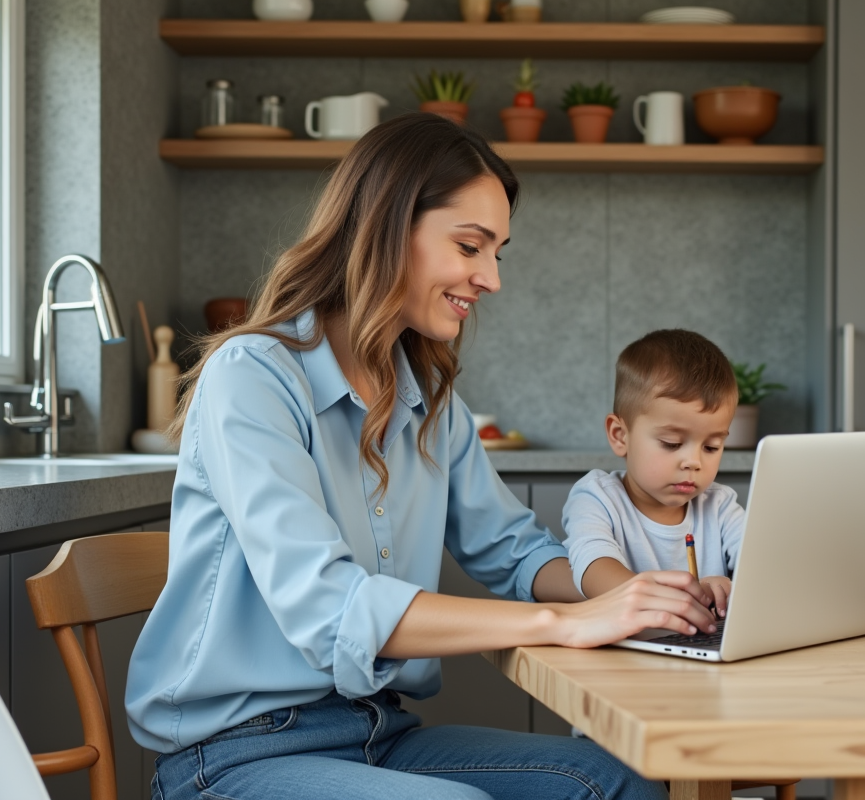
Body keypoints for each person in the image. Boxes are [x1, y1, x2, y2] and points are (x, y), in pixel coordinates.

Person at [124, 113, 719, 800]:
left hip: (379, 734)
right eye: (470, 246)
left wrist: (642, 598)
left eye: (498, 253)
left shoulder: (431, 405)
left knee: (620, 781)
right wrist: (566, 621)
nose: (491, 278)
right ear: (386, 227)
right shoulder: (253, 377)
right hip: (235, 755)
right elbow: (331, 607)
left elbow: (514, 551)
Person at [562, 330, 745, 617]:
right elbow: (592, 566)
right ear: (620, 435)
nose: (693, 462)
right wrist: (661, 602)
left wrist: (733, 586)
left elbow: (763, 565)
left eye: (711, 447)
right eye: (671, 444)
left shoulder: (719, 505)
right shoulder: (597, 498)